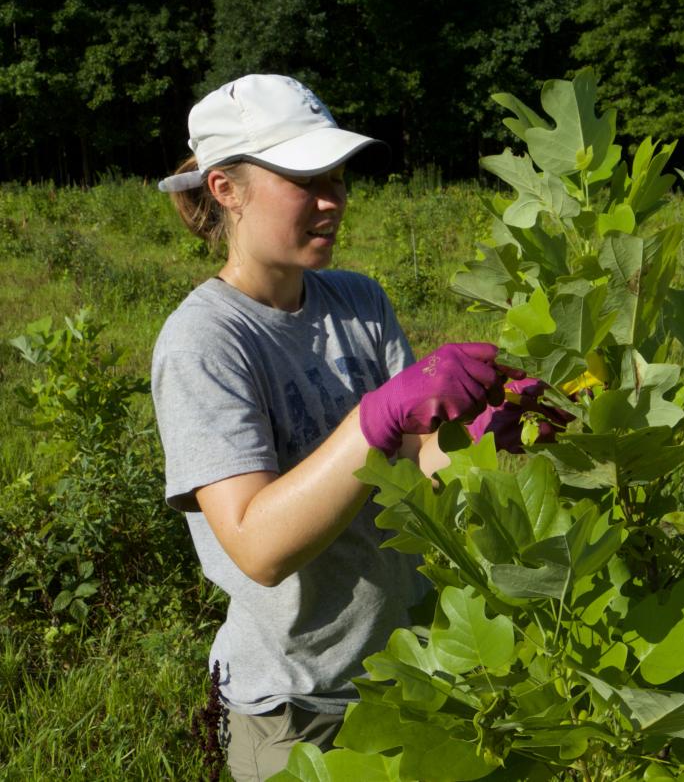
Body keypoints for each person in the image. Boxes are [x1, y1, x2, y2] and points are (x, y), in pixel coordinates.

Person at [151, 74, 542, 781]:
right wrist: (376, 417)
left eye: (336, 176)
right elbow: (258, 547)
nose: (332, 200)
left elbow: (421, 463)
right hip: (295, 702)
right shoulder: (205, 341)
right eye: (304, 178)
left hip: (407, 667)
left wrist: (480, 434)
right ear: (224, 189)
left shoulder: (357, 301)